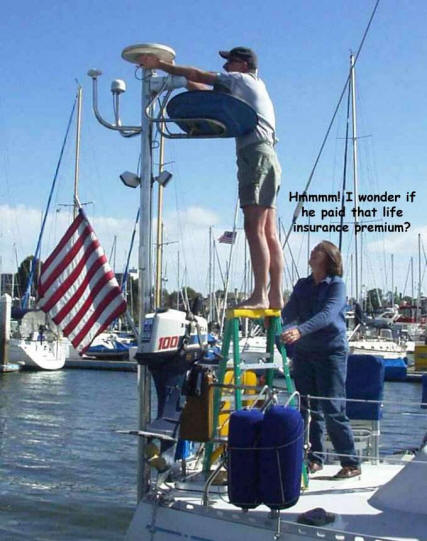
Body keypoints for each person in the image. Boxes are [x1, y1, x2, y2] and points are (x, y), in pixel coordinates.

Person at [137, 47, 284, 310]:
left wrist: (160, 64)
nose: (225, 67)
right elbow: (207, 92)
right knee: (269, 232)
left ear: (243, 64)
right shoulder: (254, 86)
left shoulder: (241, 80)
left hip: (255, 157)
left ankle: (260, 295)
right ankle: (275, 296)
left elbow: (199, 74)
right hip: (268, 157)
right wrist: (185, 82)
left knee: (254, 228)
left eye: (230, 62)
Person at [280, 241, 361, 478]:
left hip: (330, 353)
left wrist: (300, 331)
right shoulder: (303, 285)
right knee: (307, 407)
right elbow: (290, 312)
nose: (313, 253)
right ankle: (314, 458)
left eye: (318, 251)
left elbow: (327, 315)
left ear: (329, 258)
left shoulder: (337, 286)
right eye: (313, 250)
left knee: (332, 408)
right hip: (304, 353)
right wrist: (276, 322)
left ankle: (351, 462)